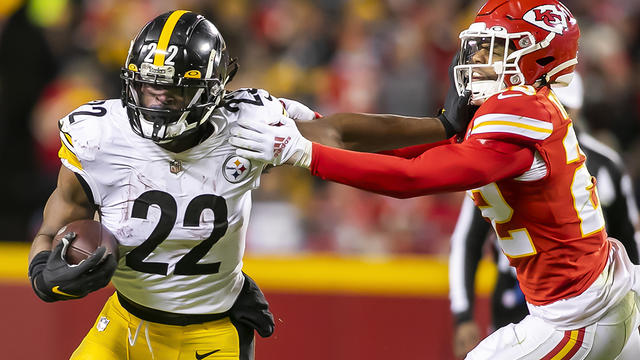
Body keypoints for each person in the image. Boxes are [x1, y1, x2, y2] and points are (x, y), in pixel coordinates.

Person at [25, 10, 471, 360]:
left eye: (174, 92)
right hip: (123, 325)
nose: (158, 102)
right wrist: (44, 273)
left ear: (212, 90)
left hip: (211, 334)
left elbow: (339, 134)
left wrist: (440, 126)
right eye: (148, 89)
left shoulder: (247, 125)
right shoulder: (99, 136)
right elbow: (53, 225)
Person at [229, 0, 640, 358]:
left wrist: (307, 154)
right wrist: (319, 129)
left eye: (494, 49)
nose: (476, 59)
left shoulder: (521, 108)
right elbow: (416, 147)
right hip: (592, 300)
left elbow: (412, 177)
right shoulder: (521, 108)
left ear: (539, 57)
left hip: (577, 315)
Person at [448, 72, 640, 358]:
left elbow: (629, 240)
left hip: (586, 300)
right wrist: (463, 313)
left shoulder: (606, 165)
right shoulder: (495, 157)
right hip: (518, 293)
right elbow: (468, 239)